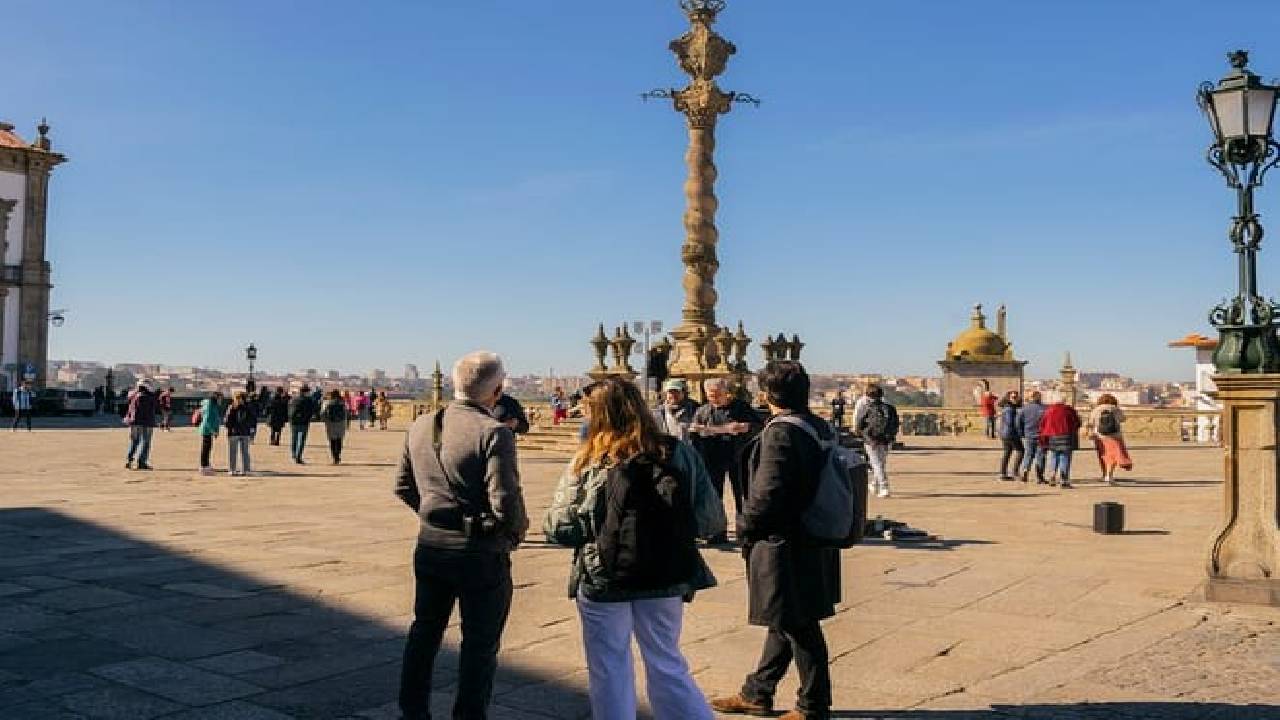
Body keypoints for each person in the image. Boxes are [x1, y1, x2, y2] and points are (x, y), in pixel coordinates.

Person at [543, 377, 720, 720]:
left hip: (603, 574)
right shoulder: (678, 452)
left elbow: (559, 527)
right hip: (667, 571)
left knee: (608, 664)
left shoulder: (591, 459)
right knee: (666, 659)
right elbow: (710, 520)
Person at [394, 351, 529, 720]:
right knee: (479, 645)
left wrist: (433, 515)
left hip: (431, 545)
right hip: (479, 553)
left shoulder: (421, 425)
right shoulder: (494, 432)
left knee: (424, 633)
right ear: (497, 389)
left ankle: (413, 711)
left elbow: (403, 487)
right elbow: (506, 502)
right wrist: (512, 535)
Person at [710, 361, 840, 720]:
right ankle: (757, 692)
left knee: (799, 626)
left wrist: (745, 527)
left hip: (784, 541)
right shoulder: (818, 426)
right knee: (785, 619)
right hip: (814, 534)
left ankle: (813, 706)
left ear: (766, 395)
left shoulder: (782, 432)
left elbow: (767, 493)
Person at [690, 378, 761, 542]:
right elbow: (693, 432)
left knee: (742, 495)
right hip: (712, 457)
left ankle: (744, 531)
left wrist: (745, 427)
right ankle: (717, 531)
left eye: (717, 395)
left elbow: (758, 426)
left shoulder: (741, 407)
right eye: (710, 395)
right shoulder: (703, 411)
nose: (714, 398)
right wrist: (698, 430)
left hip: (738, 457)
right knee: (714, 495)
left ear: (725, 392)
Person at [853, 384, 899, 498]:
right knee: (880, 464)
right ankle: (874, 483)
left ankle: (884, 486)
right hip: (886, 440)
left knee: (876, 464)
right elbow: (896, 424)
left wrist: (861, 435)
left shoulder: (866, 407)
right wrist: (890, 437)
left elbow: (858, 423)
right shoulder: (890, 408)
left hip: (871, 440)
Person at [1088, 393, 1133, 484]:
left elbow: (1091, 422)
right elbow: (1123, 419)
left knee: (1104, 456)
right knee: (1113, 456)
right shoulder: (1115, 409)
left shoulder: (1096, 409)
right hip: (1114, 436)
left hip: (1100, 436)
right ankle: (1109, 475)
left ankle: (1105, 474)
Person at [1039, 397, 1082, 488]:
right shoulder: (1069, 410)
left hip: (1053, 436)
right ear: (1064, 402)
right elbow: (1077, 423)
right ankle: (1064, 479)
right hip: (1067, 436)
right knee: (1065, 457)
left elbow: (1043, 424)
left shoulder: (1049, 411)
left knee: (1054, 456)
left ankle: (1052, 475)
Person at [124, 380, 160, 470]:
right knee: (146, 442)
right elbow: (154, 407)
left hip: (134, 421)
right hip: (146, 421)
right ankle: (142, 462)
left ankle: (129, 460)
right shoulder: (148, 396)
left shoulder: (133, 395)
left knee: (134, 441)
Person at [1015, 391, 1048, 483]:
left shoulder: (1024, 409)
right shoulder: (1045, 408)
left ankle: (1025, 471)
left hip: (1029, 435)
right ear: (1039, 398)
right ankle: (1039, 476)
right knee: (1040, 456)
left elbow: (1018, 423)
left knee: (1028, 454)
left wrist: (1022, 433)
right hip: (1042, 435)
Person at [652, 378, 699, 442]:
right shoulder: (658, 411)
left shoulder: (695, 408)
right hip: (668, 447)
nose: (673, 395)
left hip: (688, 448)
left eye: (676, 392)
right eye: (670, 392)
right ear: (665, 394)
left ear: (683, 393)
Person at [223, 390, 257, 476]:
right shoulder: (249, 407)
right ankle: (246, 469)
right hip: (245, 432)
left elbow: (226, 421)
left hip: (234, 432)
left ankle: (232, 469)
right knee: (245, 452)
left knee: (233, 452)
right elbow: (253, 420)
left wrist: (230, 427)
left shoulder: (232, 407)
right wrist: (251, 430)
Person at [996, 390, 1024, 480]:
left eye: (1016, 396)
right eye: (1013, 397)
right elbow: (1011, 422)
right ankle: (1015, 472)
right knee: (1021, 451)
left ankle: (1002, 473)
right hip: (1010, 433)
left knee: (1007, 452)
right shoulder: (1009, 409)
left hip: (1004, 433)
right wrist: (1020, 432)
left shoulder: (1008, 407)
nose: (1015, 398)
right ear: (1008, 398)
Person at [196, 391, 224, 475]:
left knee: (208, 448)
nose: (221, 400)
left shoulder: (213, 405)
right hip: (207, 430)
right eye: (220, 398)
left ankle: (206, 465)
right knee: (206, 449)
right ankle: (203, 466)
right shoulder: (210, 405)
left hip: (209, 430)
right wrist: (213, 430)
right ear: (216, 398)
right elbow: (207, 420)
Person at [289, 385, 317, 464]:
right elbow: (311, 411)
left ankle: (294, 454)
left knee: (294, 438)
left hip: (294, 422)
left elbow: (289, 410)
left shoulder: (294, 399)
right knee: (301, 440)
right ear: (306, 392)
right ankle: (298, 456)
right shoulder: (308, 400)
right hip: (303, 422)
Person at [321, 389, 349, 464]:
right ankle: (338, 454)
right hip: (341, 423)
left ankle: (334, 456)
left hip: (330, 423)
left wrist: (324, 420)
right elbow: (346, 412)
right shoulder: (343, 402)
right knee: (339, 440)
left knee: (332, 441)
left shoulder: (327, 402)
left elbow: (323, 413)